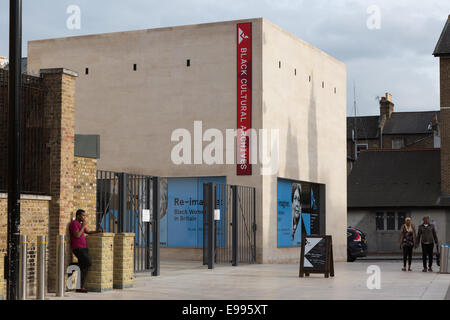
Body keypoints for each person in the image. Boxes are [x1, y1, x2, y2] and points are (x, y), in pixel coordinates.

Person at [69, 209, 103, 292]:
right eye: (83, 215)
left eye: (84, 216)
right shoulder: (74, 223)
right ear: (78, 216)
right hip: (78, 248)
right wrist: (83, 226)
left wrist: (98, 231)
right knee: (88, 262)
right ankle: (72, 266)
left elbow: (88, 232)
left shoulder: (80, 224)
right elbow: (77, 235)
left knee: (84, 267)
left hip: (84, 248)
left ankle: (80, 287)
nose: (84, 217)